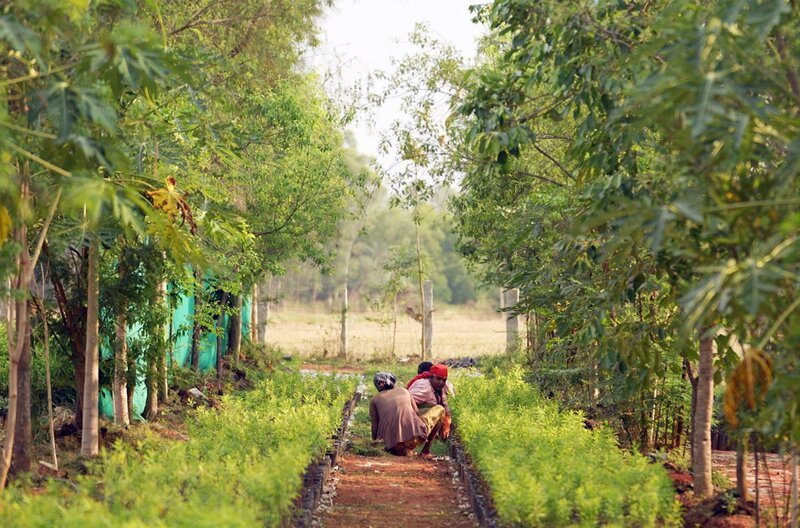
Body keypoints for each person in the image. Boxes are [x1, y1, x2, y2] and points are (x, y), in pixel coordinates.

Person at [369, 372, 443, 458]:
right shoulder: (404, 391)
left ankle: (403, 450)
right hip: (412, 440)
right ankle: (425, 452)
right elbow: (416, 412)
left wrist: (375, 444)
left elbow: (375, 426)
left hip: (389, 445)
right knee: (440, 410)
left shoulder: (374, 399)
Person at [407, 363, 451, 441]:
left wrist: (446, 425)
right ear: (431, 377)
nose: (441, 382)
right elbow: (406, 402)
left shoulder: (442, 387)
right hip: (410, 425)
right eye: (438, 379)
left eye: (444, 380)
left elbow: (446, 405)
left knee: (442, 411)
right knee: (440, 410)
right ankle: (417, 439)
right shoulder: (424, 388)